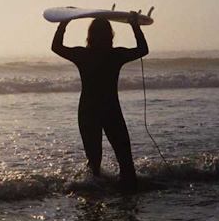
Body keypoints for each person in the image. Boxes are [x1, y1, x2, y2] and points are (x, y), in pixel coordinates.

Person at [51, 13, 148, 192]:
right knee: (125, 160)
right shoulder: (115, 55)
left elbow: (56, 47)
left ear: (89, 35)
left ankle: (93, 207)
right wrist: (134, 26)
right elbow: (143, 50)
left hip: (88, 111)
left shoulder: (82, 55)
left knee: (94, 162)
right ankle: (129, 200)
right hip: (111, 110)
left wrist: (64, 23)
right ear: (110, 36)